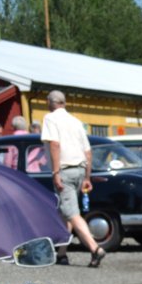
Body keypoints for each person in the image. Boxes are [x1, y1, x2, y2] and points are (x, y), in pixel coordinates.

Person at [40, 90, 107, 267]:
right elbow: (88, 152)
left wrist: (55, 172)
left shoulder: (50, 118)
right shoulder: (76, 121)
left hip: (65, 170)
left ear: (50, 102)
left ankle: (95, 248)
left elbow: (54, 144)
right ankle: (62, 253)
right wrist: (87, 177)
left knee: (71, 213)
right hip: (80, 169)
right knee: (66, 211)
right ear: (64, 102)